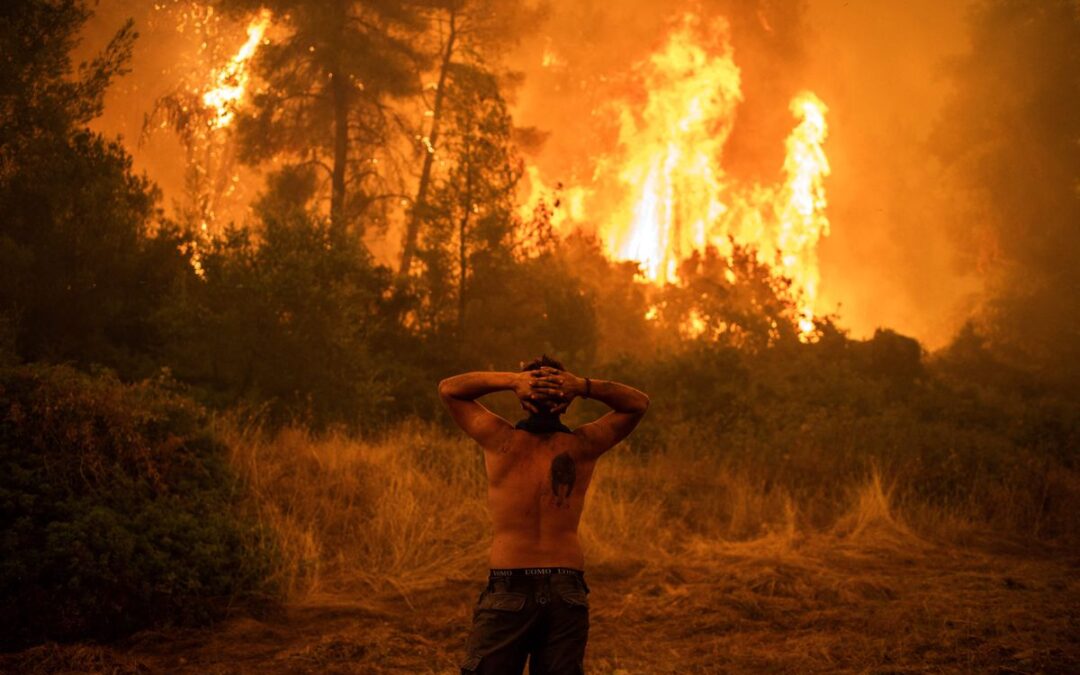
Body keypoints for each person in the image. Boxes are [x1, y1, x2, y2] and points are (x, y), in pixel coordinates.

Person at [438, 355, 650, 674]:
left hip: (511, 583)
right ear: (566, 404)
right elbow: (637, 404)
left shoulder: (500, 440)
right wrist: (582, 386)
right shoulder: (584, 445)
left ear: (523, 401)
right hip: (565, 587)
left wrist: (513, 381)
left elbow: (449, 389)